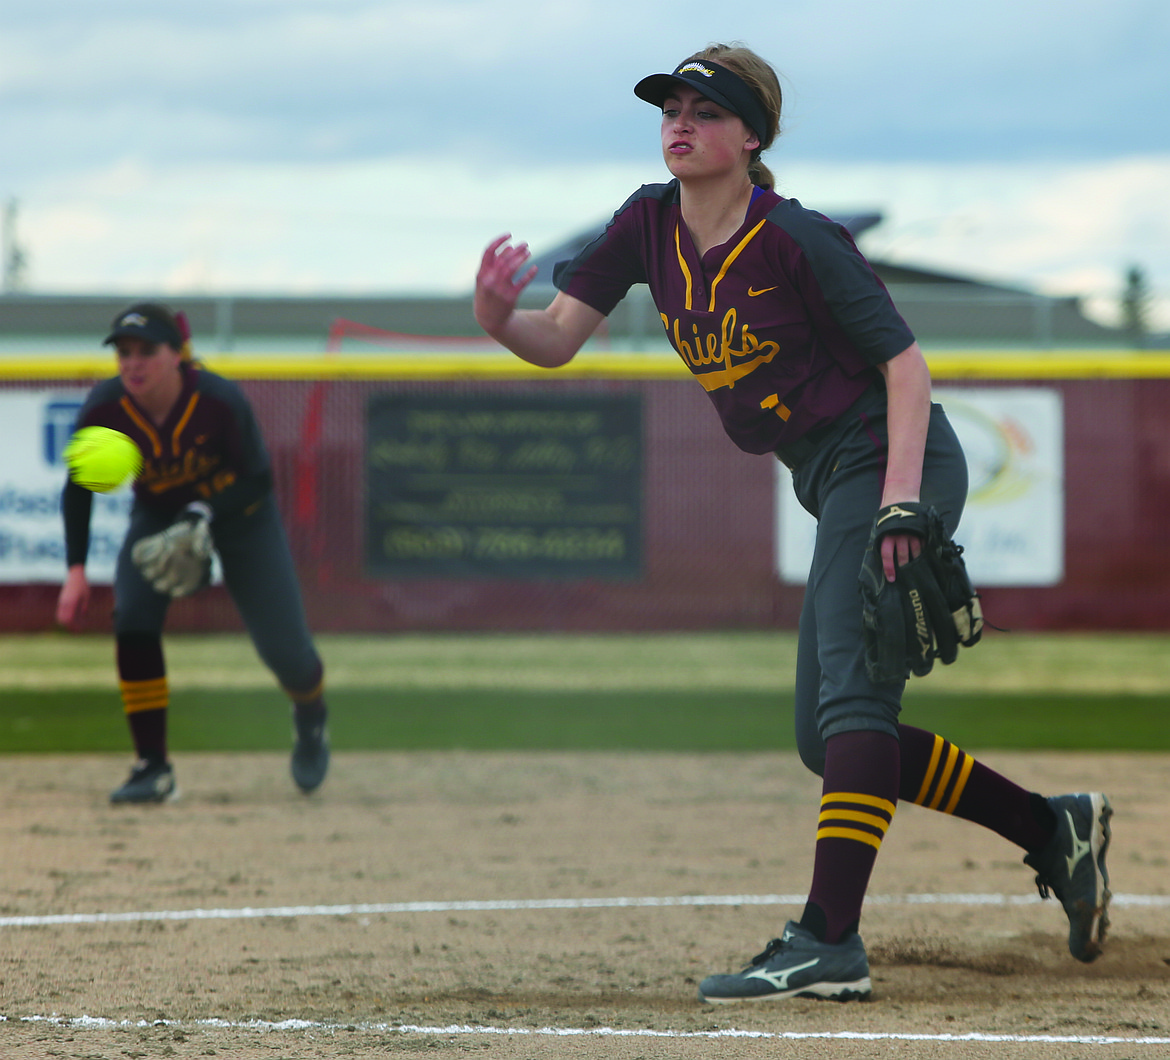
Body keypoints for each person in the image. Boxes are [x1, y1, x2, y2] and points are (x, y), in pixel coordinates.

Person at [474, 43, 1113, 1002]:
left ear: (753, 136)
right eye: (671, 108)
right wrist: (496, 318)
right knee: (831, 739)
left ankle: (828, 939)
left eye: (706, 109)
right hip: (831, 473)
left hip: (889, 456)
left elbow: (905, 369)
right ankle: (1051, 828)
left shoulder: (796, 238)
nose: (680, 122)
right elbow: (557, 337)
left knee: (854, 706)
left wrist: (902, 501)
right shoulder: (647, 224)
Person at [56, 303, 330, 803]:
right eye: (123, 352)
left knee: (286, 652)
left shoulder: (218, 400)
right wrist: (75, 570)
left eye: (146, 351)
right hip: (160, 515)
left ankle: (311, 717)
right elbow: (78, 488)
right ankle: (152, 768)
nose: (132, 363)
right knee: (133, 618)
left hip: (241, 517)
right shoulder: (106, 408)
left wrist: (204, 510)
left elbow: (258, 479)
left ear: (177, 353)